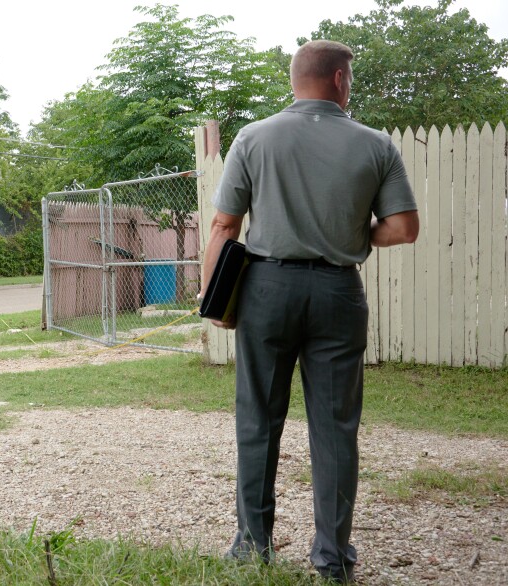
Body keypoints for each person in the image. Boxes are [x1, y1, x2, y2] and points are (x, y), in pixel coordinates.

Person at [201, 39, 419, 584]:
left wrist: (214, 304)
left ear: (296, 79)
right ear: (341, 80)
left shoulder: (254, 137)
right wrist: (353, 234)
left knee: (258, 419)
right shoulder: (376, 145)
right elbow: (404, 228)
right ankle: (333, 560)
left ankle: (253, 546)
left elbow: (225, 226)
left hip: (266, 289)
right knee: (335, 427)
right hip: (337, 294)